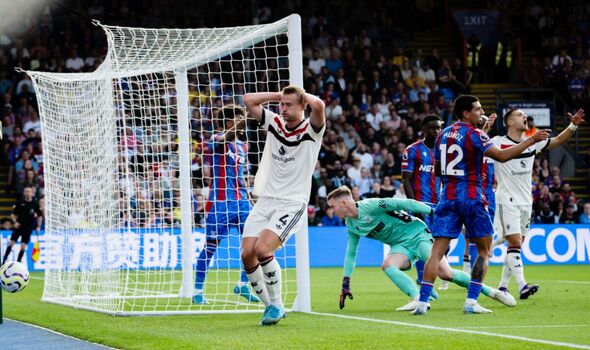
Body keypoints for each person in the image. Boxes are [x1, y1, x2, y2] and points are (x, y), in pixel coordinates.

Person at [413, 95, 550, 315]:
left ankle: (422, 302)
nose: (481, 112)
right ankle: (471, 302)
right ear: (466, 113)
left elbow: (438, 170)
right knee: (485, 251)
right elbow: (502, 156)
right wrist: (530, 141)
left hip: (447, 197)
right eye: (477, 109)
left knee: (436, 253)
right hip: (472, 197)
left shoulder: (443, 134)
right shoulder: (476, 135)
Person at [327, 187, 515, 312]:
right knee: (388, 265)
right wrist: (346, 282)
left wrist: (435, 211)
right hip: (400, 246)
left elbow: (405, 204)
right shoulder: (350, 225)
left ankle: (492, 292)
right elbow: (351, 253)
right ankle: (418, 297)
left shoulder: (372, 205)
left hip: (418, 234)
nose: (331, 211)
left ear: (344, 203)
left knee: (446, 274)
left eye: (332, 207)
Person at [241, 85, 325, 325]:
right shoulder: (275, 123)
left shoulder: (312, 129)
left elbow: (319, 106)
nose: (283, 108)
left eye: (289, 105)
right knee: (247, 254)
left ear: (302, 106)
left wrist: (300, 96)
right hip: (266, 199)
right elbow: (249, 100)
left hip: (292, 202)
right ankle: (269, 306)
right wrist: (281, 96)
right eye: (282, 105)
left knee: (263, 250)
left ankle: (277, 304)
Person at [492, 108, 585, 299]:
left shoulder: (532, 143)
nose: (524, 117)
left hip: (526, 201)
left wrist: (573, 125)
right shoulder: (497, 143)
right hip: (506, 199)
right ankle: (522, 285)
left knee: (515, 246)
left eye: (525, 115)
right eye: (519, 115)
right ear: (509, 122)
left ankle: (502, 286)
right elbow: (482, 148)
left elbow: (559, 140)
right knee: (515, 242)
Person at [192, 104, 259, 304]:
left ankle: (243, 285)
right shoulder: (216, 140)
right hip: (219, 203)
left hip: (241, 202)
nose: (242, 122)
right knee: (210, 247)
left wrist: (250, 199)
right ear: (230, 122)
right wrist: (247, 117)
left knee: (253, 245)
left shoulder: (243, 146)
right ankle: (197, 291)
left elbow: (239, 176)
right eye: (238, 118)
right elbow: (226, 137)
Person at [402, 114, 442, 289]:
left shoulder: (444, 151)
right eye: (433, 128)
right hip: (421, 203)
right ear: (425, 129)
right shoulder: (413, 150)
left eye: (439, 127)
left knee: (441, 244)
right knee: (423, 243)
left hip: (441, 205)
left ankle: (423, 273)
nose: (437, 131)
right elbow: (406, 180)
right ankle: (422, 278)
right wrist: (414, 206)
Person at [463, 114, 497, 275]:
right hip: (473, 192)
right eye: (480, 123)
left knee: (485, 235)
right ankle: (471, 273)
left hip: (489, 193)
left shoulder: (492, 146)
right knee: (472, 235)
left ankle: (475, 274)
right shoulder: (470, 144)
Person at [2, 186, 43, 265]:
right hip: (19, 227)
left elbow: (40, 216)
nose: (27, 193)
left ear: (32, 193)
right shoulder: (19, 203)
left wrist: (38, 225)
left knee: (23, 246)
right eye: (26, 191)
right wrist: (15, 222)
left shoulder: (35, 204)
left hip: (28, 228)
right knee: (11, 243)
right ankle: (3, 261)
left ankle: (18, 263)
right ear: (24, 193)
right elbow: (12, 214)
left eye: (29, 191)